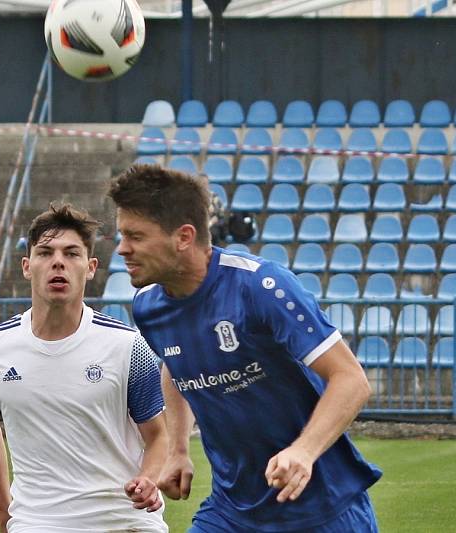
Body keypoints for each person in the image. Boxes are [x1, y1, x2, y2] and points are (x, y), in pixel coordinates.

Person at [108, 164, 383, 532]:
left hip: (323, 507)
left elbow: (351, 379)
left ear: (184, 237)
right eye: (122, 235)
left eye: (135, 236)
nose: (122, 249)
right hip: (232, 511)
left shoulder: (260, 286)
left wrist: (303, 452)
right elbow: (175, 367)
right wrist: (177, 449)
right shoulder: (148, 306)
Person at [0, 203, 169, 533]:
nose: (58, 261)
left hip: (124, 521)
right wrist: (5, 511)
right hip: (37, 523)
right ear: (27, 266)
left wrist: (148, 478)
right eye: (45, 252)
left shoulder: (129, 347)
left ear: (90, 268)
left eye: (71, 253)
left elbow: (158, 435)